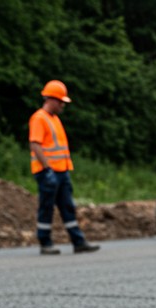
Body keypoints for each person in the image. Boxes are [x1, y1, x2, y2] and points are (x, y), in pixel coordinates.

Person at [29, 80, 99, 255]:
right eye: (60, 101)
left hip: (61, 171)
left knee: (67, 206)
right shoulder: (39, 118)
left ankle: (78, 241)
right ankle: (45, 243)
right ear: (51, 99)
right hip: (48, 173)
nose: (62, 105)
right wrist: (47, 169)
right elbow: (35, 145)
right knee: (46, 207)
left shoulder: (55, 120)